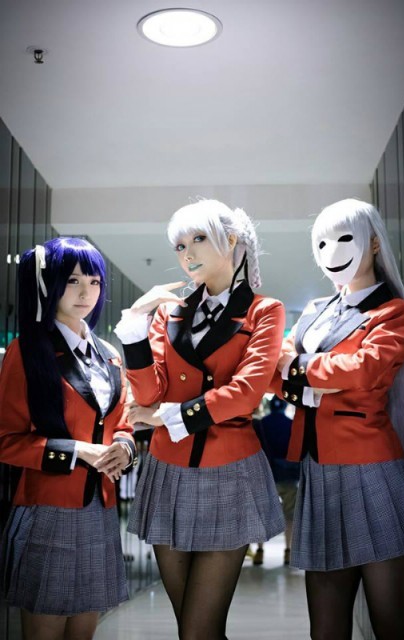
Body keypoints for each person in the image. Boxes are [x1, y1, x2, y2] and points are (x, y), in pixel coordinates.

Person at [114, 199, 285, 640]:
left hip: (229, 470)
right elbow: (148, 392)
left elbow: (246, 393)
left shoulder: (264, 311)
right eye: (179, 245)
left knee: (198, 630)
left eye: (198, 239)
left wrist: (167, 417)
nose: (187, 253)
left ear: (231, 239)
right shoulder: (169, 312)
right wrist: (134, 326)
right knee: (190, 630)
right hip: (167, 471)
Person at [270, 198, 404, 640]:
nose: (331, 251)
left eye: (343, 239)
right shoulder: (314, 310)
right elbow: (275, 378)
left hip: (372, 469)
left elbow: (363, 369)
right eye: (321, 242)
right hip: (318, 471)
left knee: (392, 624)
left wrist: (298, 367)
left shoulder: (396, 311)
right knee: (325, 629)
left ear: (374, 243)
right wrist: (309, 382)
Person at [0, 237, 136, 640]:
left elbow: (123, 423)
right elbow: (6, 440)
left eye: (94, 282)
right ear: (51, 285)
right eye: (73, 280)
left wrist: (125, 448)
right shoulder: (27, 351)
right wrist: (77, 451)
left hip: (100, 507)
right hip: (48, 508)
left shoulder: (109, 354)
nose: (85, 292)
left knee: (83, 631)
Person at [257, 396, 299, 565]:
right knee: (289, 514)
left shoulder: (261, 425)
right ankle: (288, 551)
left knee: (262, 515)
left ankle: (260, 551)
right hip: (288, 476)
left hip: (265, 477)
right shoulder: (291, 424)